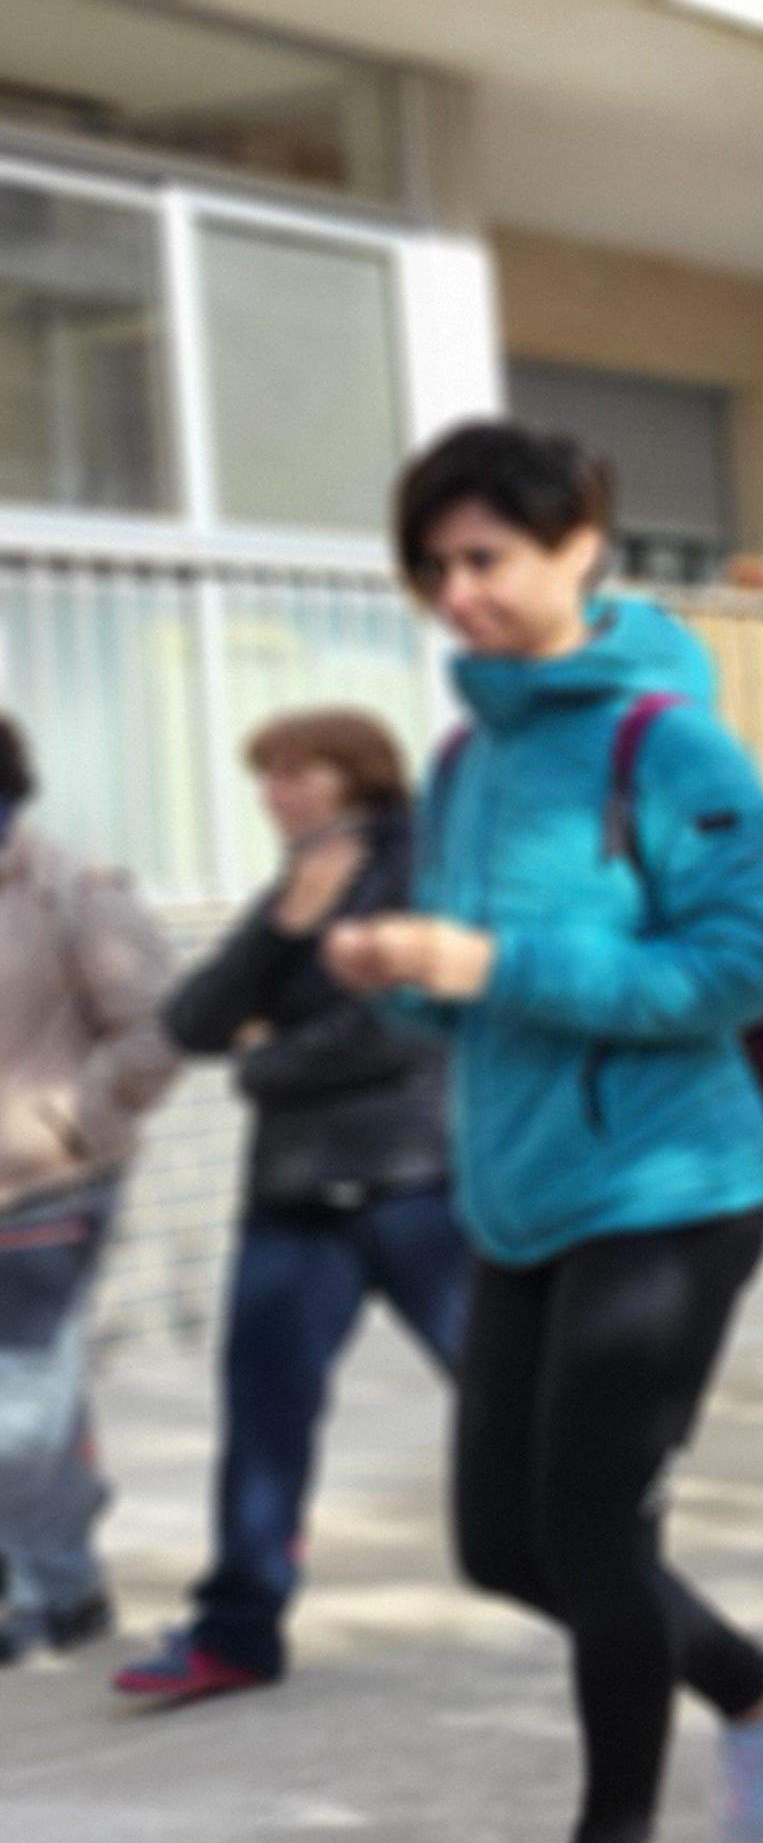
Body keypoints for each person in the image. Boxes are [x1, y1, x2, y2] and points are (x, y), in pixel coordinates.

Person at [329, 421, 763, 1843]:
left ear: (580, 549)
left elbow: (736, 970)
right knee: (502, 1545)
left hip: (675, 1188)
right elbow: (475, 1000)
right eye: (433, 566)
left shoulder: (668, 742)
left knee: (593, 1532)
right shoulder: (464, 761)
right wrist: (403, 975)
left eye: (487, 558)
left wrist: (487, 965)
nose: (459, 593)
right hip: (520, 1194)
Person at [113, 710, 466, 1704]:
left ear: (355, 777)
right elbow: (190, 1019)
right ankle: (238, 1629)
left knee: (506, 1394)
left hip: (413, 1181)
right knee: (263, 1416)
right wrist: (280, 928)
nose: (272, 794)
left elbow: (395, 1030)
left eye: (293, 773)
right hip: (294, 1195)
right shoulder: (293, 886)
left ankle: (609, 1577)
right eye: (264, 776)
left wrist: (264, 1061)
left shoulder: (418, 867)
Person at [0, 712, 179, 1668]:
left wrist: (75, 1123)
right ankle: (49, 1564)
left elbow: (156, 1026)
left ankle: (53, 1594)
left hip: (42, 1181)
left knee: (21, 1401)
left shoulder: (74, 886)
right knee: (36, 1398)